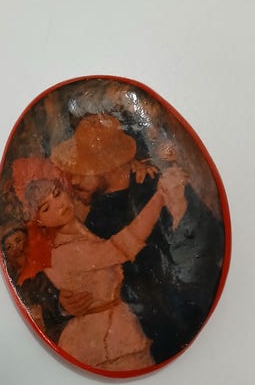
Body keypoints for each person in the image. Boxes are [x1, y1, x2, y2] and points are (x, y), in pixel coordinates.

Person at [50, 114, 225, 362]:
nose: (74, 179)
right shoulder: (95, 217)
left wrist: (179, 210)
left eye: (82, 168)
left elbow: (209, 245)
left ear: (107, 164)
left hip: (186, 334)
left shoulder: (162, 185)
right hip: (137, 338)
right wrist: (66, 302)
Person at [10, 157, 181, 372]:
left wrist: (137, 170)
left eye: (57, 194)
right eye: (46, 208)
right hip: (99, 341)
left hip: (118, 325)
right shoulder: (63, 252)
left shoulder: (84, 227)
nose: (58, 205)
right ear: (39, 220)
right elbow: (122, 246)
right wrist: (159, 198)